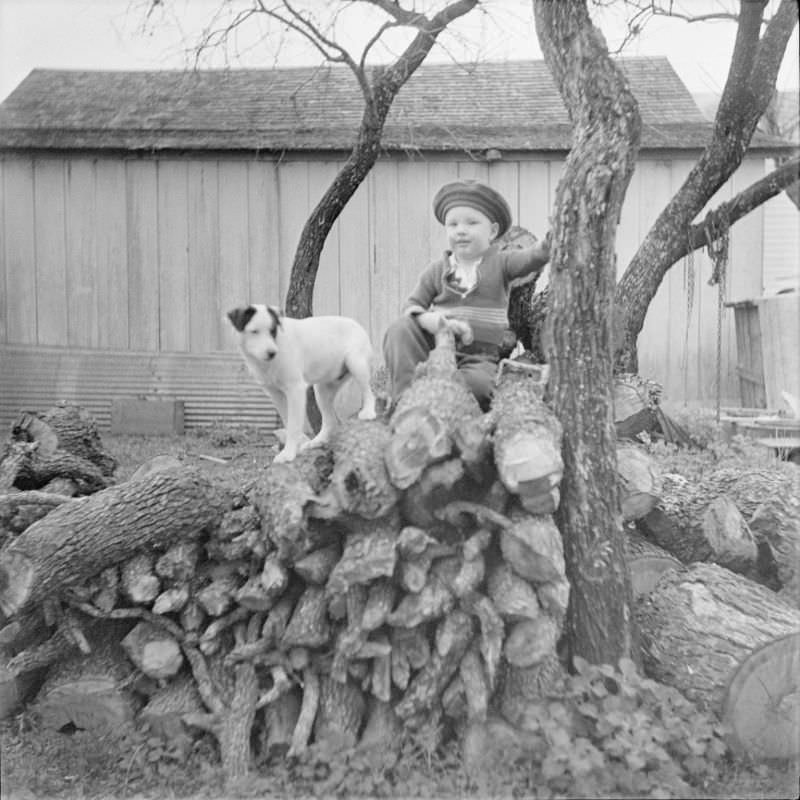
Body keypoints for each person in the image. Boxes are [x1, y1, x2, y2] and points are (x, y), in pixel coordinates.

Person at [382, 178, 551, 410]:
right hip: (435, 348)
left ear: (492, 231)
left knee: (478, 386)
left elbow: (530, 259)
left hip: (478, 356)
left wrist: (547, 245)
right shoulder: (437, 270)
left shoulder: (501, 263)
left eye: (471, 223)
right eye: (453, 225)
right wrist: (430, 319)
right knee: (400, 328)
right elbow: (412, 306)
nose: (461, 230)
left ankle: (452, 403)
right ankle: (405, 399)